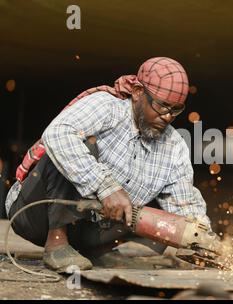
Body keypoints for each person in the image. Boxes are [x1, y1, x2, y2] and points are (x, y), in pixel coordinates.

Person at [4, 57, 210, 271]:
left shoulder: (174, 146)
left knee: (161, 209)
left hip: (89, 232)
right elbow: (57, 134)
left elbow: (184, 203)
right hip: (34, 215)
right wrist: (105, 187)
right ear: (138, 92)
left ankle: (96, 252)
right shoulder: (107, 106)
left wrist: (202, 239)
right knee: (75, 144)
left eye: (176, 110)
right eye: (162, 106)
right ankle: (57, 242)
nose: (167, 116)